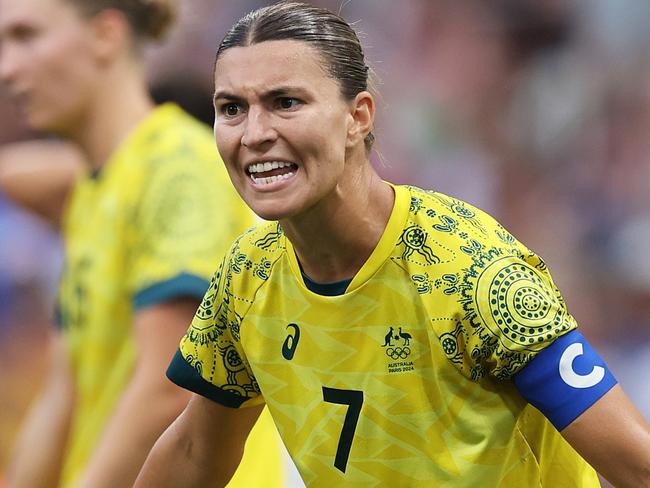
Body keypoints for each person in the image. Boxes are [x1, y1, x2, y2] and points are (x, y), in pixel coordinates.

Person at [136, 1, 650, 487]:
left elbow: (634, 461)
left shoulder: (473, 271)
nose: (254, 133)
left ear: (358, 117)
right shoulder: (249, 275)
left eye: (285, 102)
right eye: (232, 108)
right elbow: (194, 453)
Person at [0, 1, 287, 487]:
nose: (7, 68)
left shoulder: (176, 167)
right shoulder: (95, 194)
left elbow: (168, 386)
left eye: (26, 37)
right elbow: (63, 397)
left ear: (106, 36)